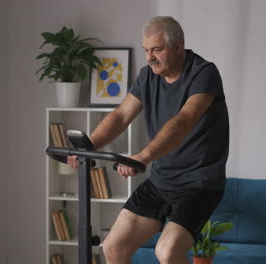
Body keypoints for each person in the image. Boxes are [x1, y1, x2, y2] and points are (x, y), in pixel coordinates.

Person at [67, 16, 229, 264]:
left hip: (199, 183)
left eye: (156, 49)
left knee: (166, 251)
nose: (149, 57)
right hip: (161, 180)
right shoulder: (147, 76)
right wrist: (87, 148)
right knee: (113, 247)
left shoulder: (204, 73)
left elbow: (184, 120)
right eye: (146, 50)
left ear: (177, 46)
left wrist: (141, 157)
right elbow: (121, 116)